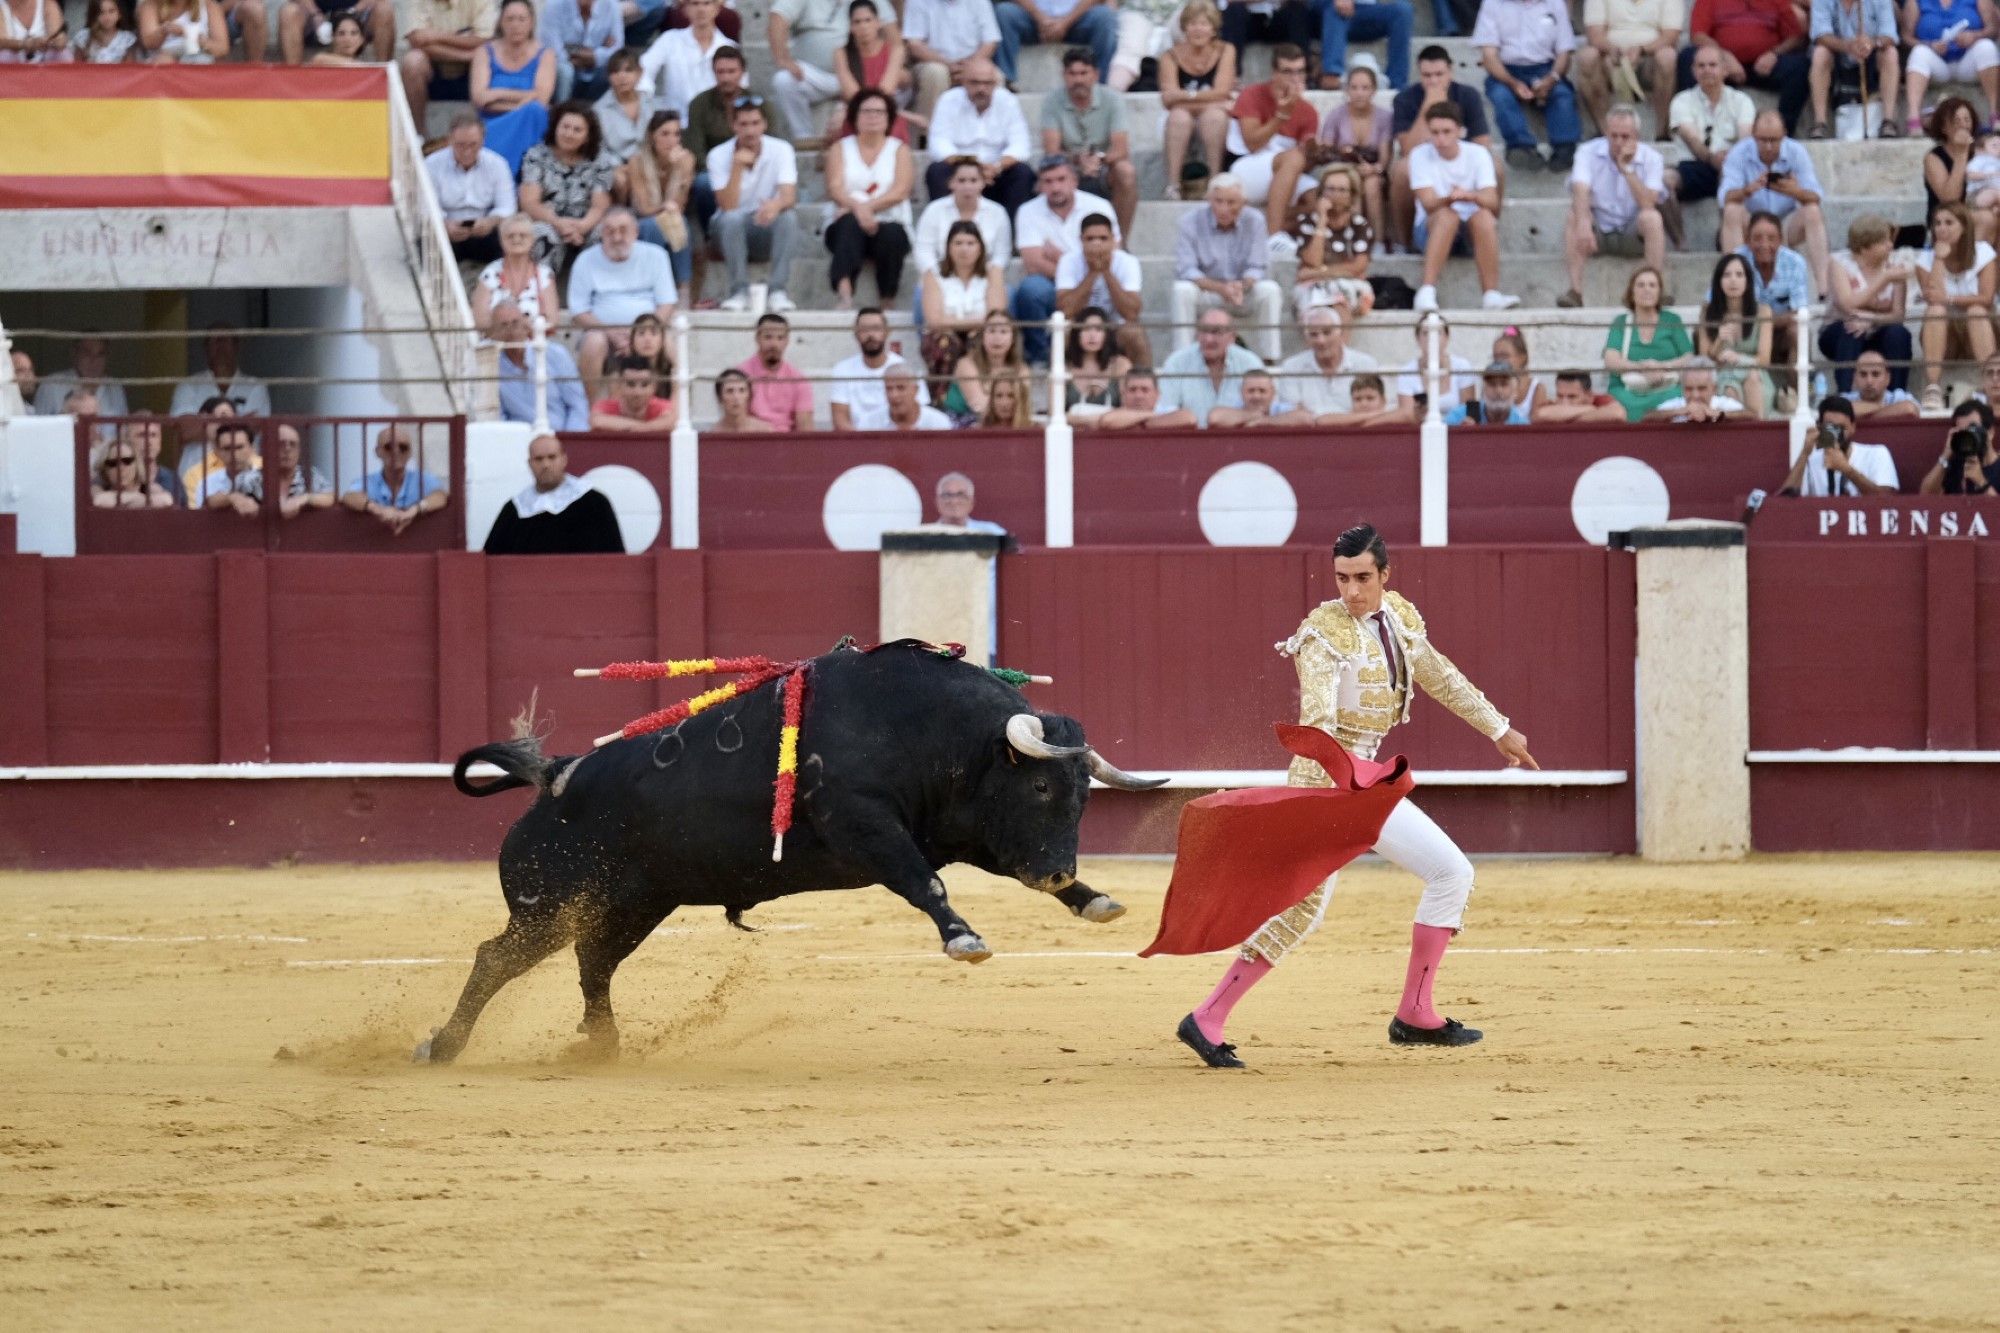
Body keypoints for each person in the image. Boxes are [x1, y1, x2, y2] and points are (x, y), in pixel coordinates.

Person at [1172, 523, 1537, 1069]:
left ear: (1385, 575)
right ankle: (1207, 1018)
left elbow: (1439, 676)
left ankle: (1416, 1012)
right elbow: (1316, 723)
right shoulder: (1322, 634)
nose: (1351, 592)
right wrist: (1344, 778)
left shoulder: (1401, 619)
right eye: (1342, 578)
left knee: (1450, 874)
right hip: (1328, 785)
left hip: (1366, 784)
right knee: (1302, 912)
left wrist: (1499, 729)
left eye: (1363, 578)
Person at [1408, 101, 1519, 313]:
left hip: (1470, 231)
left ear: (1460, 130)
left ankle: (1491, 295)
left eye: (1447, 132)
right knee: (1447, 215)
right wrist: (1450, 198)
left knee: (1484, 217)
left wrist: (1469, 196)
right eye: (1435, 132)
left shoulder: (1477, 154)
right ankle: (1427, 290)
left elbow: (1492, 201)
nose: (1440, 139)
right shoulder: (1420, 155)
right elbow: (1429, 204)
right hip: (1430, 230)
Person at [1389, 46, 1504, 250]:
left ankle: (1486, 233)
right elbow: (1408, 149)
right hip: (1426, 162)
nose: (1433, 81)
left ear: (1450, 72)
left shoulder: (1468, 95)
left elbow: (1481, 143)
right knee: (1401, 170)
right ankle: (1404, 242)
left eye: (1439, 74)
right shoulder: (1404, 99)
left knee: (1495, 166)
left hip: (1462, 162)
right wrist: (1428, 106)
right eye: (1427, 75)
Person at [1010, 155, 1119, 364]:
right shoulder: (1028, 211)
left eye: (1061, 179)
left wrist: (1062, 259)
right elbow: (1033, 264)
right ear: (1039, 185)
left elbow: (1109, 254)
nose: (1055, 187)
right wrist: (1079, 263)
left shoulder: (1099, 206)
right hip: (1052, 284)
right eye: (1048, 181)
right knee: (1032, 289)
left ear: (1074, 181)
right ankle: (1041, 355)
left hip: (1096, 283)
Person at [1558, 105, 1668, 310]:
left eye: (1625, 137)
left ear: (1636, 136)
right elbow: (1580, 188)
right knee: (1575, 215)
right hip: (1597, 230)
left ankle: (1656, 289)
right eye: (1613, 136)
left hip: (1632, 232)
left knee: (1652, 218)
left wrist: (1627, 170)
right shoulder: (1587, 152)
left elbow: (1648, 202)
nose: (1618, 142)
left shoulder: (1652, 158)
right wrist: (1583, 222)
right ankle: (1575, 291)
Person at [1171, 173, 1284, 359]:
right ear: (1209, 200)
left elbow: (1256, 266)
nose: (1224, 208)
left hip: (1241, 291)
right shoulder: (1190, 221)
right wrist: (1221, 289)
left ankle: (1270, 358)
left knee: (1269, 290)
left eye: (1231, 202)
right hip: (1207, 291)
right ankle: (1181, 357)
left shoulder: (1255, 221)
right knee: (1181, 290)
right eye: (1218, 201)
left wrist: (1241, 286)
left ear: (1243, 202)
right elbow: (1187, 269)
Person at [707, 95, 802, 313]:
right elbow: (727, 205)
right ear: (733, 126)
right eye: (743, 124)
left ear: (764, 125)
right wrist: (737, 167)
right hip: (728, 230)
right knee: (732, 218)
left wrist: (774, 206)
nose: (750, 131)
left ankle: (778, 291)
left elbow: (789, 195)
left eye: (755, 123)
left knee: (788, 216)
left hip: (764, 223)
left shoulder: (781, 149)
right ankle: (738, 291)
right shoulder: (718, 155)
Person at [1719, 110, 1831, 293]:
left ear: (1784, 135)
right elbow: (1725, 197)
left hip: (1785, 225)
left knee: (1812, 212)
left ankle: (1824, 290)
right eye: (1763, 140)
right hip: (1751, 224)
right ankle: (1738, 287)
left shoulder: (1796, 152)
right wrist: (1748, 190)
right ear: (1754, 135)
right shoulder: (1739, 153)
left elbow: (1816, 196)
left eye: (1774, 140)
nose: (1769, 146)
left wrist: (1795, 191)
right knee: (1732, 211)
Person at [570, 207, 679, 394]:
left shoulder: (656, 256)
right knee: (593, 342)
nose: (617, 237)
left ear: (636, 232)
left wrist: (639, 334)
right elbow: (579, 311)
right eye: (609, 231)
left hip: (645, 331)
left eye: (623, 230)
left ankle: (675, 408)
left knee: (668, 343)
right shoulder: (585, 260)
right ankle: (592, 412)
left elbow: (667, 304)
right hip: (602, 333)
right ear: (601, 234)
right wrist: (611, 333)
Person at [824, 88, 915, 308]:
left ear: (889, 117)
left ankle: (887, 299)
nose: (873, 116)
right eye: (866, 111)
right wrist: (858, 209)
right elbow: (835, 188)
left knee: (892, 235)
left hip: (889, 218)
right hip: (845, 219)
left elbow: (901, 190)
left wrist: (866, 208)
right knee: (848, 225)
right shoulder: (840, 148)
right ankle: (845, 295)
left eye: (879, 112)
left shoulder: (899, 150)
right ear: (855, 116)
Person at [1039, 46, 1137, 236]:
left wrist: (1097, 159)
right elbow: (1052, 150)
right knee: (1046, 175)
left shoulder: (1112, 99)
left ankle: (1119, 240)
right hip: (1068, 164)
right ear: (1064, 75)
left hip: (1104, 165)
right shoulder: (1052, 101)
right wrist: (1077, 160)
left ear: (1096, 74)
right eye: (1072, 74)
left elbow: (1121, 148)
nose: (1078, 80)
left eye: (1084, 73)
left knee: (1126, 171)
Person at [1475, 0, 1581, 173]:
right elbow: (1489, 55)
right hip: (1505, 69)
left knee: (1562, 94)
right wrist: (1512, 82)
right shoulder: (1493, 3)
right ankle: (1521, 147)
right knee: (1501, 96)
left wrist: (1551, 79)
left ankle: (1564, 148)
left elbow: (1564, 52)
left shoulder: (1555, 3)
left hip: (1546, 67)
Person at [1226, 43, 1320, 232]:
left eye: (1300, 72)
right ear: (1274, 72)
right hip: (1245, 167)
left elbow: (1305, 163)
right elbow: (1252, 143)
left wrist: (1314, 151)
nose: (1295, 78)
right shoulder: (1252, 94)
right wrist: (1281, 116)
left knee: (1323, 200)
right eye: (1288, 72)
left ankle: (1272, 224)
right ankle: (1273, 234)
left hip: (1284, 171)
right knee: (1294, 157)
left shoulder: (1309, 111)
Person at [925, 58, 1035, 217]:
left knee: (1022, 173)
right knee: (937, 171)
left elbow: (1020, 146)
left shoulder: (1007, 101)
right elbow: (939, 145)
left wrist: (996, 167)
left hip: (996, 171)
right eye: (975, 83)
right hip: (960, 169)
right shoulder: (948, 100)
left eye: (987, 83)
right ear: (963, 82)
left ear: (995, 83)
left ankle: (1013, 235)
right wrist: (973, 166)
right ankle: (948, 230)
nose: (981, 89)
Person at [1819, 213, 1913, 395]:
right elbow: (1847, 305)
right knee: (1851, 329)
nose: (1890, 246)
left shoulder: (1895, 266)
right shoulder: (1839, 263)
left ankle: (1897, 395)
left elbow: (1898, 315)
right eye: (1883, 241)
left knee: (1898, 333)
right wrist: (1884, 278)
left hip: (1878, 330)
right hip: (1838, 331)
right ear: (1864, 248)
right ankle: (1846, 396)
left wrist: (1871, 319)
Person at [1679, 0, 1809, 132]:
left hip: (1763, 64)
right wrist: (1724, 56)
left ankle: (1781, 132)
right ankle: (1691, 127)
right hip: (1723, 65)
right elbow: (1698, 35)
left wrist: (1774, 53)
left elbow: (1795, 36)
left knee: (1800, 66)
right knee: (1688, 57)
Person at [484, 433, 627, 553]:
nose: (545, 465)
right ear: (529, 464)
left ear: (564, 460)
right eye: (538, 459)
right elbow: (490, 557)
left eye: (552, 457)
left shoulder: (595, 503)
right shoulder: (514, 510)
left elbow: (615, 557)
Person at [1917, 201, 1996, 411]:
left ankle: (1990, 383)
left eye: (1949, 223)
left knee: (1977, 311)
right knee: (1935, 311)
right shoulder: (1925, 259)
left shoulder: (1983, 252)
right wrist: (1938, 259)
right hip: (1945, 335)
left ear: (1964, 227)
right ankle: (1933, 387)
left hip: (1980, 329)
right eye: (1937, 223)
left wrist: (1950, 300)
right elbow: (1934, 297)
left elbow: (1986, 298)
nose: (1941, 229)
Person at [519, 102, 617, 269]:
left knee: (607, 231)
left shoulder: (601, 159)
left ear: (587, 136)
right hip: (549, 220)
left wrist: (581, 227)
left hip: (585, 223)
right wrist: (559, 223)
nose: (569, 134)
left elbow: (599, 206)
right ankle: (543, 288)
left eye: (577, 130)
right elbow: (529, 203)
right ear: (556, 127)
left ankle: (598, 289)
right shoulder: (536, 155)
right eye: (565, 127)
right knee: (541, 233)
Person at [1160, 0, 1237, 197]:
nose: (1198, 30)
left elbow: (1223, 91)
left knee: (1214, 117)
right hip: (1177, 114)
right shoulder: (1170, 56)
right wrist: (1206, 99)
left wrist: (1185, 96)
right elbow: (1168, 98)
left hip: (1211, 113)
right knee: (1179, 117)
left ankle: (1215, 181)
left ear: (1213, 28)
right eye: (1193, 24)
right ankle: (1173, 185)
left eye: (1204, 24)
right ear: (1184, 27)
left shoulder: (1226, 50)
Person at [471, 0, 556, 174]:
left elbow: (542, 98)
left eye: (521, 19)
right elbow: (480, 98)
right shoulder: (484, 52)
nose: (515, 25)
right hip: (493, 123)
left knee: (535, 112)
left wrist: (496, 94)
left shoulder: (545, 54)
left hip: (531, 122)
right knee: (531, 110)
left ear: (531, 22)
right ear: (501, 22)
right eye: (510, 19)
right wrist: (523, 101)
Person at [1666, 44, 1756, 207]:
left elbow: (1746, 139)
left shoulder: (1742, 100)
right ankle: (1678, 234)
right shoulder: (1681, 100)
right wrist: (1711, 158)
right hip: (1694, 167)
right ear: (1693, 71)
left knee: (1734, 173)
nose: (1707, 70)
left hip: (1732, 166)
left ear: (1725, 70)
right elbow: (1691, 139)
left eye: (1712, 65)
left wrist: (1728, 160)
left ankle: (1727, 230)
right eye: (1701, 66)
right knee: (1663, 183)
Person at [922, 220, 1009, 385]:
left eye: (970, 243)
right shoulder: (933, 274)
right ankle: (942, 399)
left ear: (980, 247)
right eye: (958, 243)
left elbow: (995, 316)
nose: (964, 249)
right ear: (948, 247)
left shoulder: (993, 272)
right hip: (944, 335)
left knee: (982, 339)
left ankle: (985, 395)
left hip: (980, 333)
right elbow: (934, 320)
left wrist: (954, 322)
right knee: (945, 342)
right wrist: (976, 322)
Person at [1574, 0, 1681, 133]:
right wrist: (1612, 49)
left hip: (1649, 59)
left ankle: (1662, 131)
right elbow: (1595, 35)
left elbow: (1670, 36)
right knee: (1587, 56)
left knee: (1668, 56)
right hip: (1611, 58)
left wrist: (1642, 50)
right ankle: (1605, 131)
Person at [1055, 215, 1148, 365]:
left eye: (1103, 238)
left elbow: (1131, 313)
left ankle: (1144, 384)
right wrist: (1092, 273)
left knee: (1134, 333)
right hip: (1080, 328)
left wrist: (1106, 272)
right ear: (1081, 240)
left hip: (1115, 327)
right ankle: (1063, 386)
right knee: (1061, 332)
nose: (1096, 243)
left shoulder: (1128, 262)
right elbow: (1065, 311)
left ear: (1113, 240)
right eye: (1090, 239)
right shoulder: (1068, 261)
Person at [427, 114, 518, 267]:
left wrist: (490, 221)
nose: (467, 151)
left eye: (473, 145)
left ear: (483, 141)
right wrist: (444, 225)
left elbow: (508, 206)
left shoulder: (497, 164)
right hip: (445, 229)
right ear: (449, 140)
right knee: (427, 243)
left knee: (509, 239)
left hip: (484, 228)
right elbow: (426, 206)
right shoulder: (432, 164)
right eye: (460, 145)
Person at [1605, 265, 1692, 421]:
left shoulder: (1672, 320)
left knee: (1678, 399)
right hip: (1627, 392)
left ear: (1659, 292)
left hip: (1667, 389)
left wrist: (1662, 367)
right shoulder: (1621, 322)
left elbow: (1688, 357)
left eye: (1652, 285)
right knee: (1617, 404)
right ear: (1632, 292)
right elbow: (1611, 361)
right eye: (1641, 285)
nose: (1647, 290)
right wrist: (1642, 367)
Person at [1315, 62, 1390, 243]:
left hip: (1372, 169)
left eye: (1365, 88)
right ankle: (1352, 239)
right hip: (1343, 167)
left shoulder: (1385, 117)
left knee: (1372, 185)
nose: (1359, 92)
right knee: (1349, 183)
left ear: (1373, 90)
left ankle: (1377, 241)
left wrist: (1376, 169)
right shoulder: (1336, 115)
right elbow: (1326, 149)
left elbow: (1385, 154)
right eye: (1354, 87)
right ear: (1346, 90)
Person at [1903, 0, 2000, 137]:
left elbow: (1993, 29)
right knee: (1919, 52)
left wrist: (1974, 36)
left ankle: (1994, 114)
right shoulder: (1916, 2)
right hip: (1936, 62)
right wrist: (1930, 45)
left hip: (1967, 60)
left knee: (1987, 47)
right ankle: (1913, 119)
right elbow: (1906, 37)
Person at [399, 0, 499, 131]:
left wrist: (435, 36)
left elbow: (485, 40)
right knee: (413, 61)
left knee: (490, 57)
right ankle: (418, 135)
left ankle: (485, 134)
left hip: (471, 70)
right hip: (434, 69)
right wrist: (465, 54)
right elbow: (417, 40)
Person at [1697, 251, 1775, 418]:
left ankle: (1758, 430)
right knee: (1729, 389)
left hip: (1754, 372)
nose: (1733, 280)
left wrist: (1738, 357)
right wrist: (1719, 339)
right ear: (1719, 281)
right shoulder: (1707, 313)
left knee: (1753, 378)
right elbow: (1705, 360)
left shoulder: (1763, 312)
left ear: (1748, 281)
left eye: (1739, 275)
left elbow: (1764, 359)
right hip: (1723, 373)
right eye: (1727, 275)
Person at [1806, 0, 1900, 139]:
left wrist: (1872, 43)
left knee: (1890, 53)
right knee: (1820, 53)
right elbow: (1820, 35)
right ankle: (1820, 123)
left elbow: (1889, 35)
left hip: (1870, 55)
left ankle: (1888, 121)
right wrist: (1847, 46)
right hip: (1838, 54)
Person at [914, 156, 1014, 285]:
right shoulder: (934, 210)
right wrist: (938, 276)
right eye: (961, 180)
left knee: (1007, 294)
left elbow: (1002, 254)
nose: (967, 186)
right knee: (920, 294)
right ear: (951, 183)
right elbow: (924, 250)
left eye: (973, 180)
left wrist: (988, 276)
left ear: (983, 183)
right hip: (940, 277)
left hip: (985, 278)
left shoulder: (997, 212)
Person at [1157, 307, 1265, 426]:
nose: (1208, 339)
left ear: (1232, 336)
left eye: (1216, 332)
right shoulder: (1177, 363)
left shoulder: (1250, 363)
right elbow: (1164, 412)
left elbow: (1264, 410)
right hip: (1189, 441)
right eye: (1204, 331)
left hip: (1239, 440)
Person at [625, 110, 696, 289]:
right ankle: (651, 284)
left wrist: (678, 171)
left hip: (672, 216)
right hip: (642, 218)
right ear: (652, 136)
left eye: (676, 134)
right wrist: (665, 206)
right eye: (665, 134)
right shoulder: (637, 161)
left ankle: (683, 287)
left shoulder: (686, 159)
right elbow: (643, 208)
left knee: (678, 221)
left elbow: (678, 207)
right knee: (652, 225)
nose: (672, 140)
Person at [493, 301, 592, 430]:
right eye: (504, 326)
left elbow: (577, 405)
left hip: (561, 437)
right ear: (494, 333)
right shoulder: (493, 367)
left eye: (515, 323)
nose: (511, 331)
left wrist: (570, 440)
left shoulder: (555, 354)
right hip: (519, 441)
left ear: (525, 325)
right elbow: (499, 417)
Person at [906, 0, 1002, 128]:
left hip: (972, 62)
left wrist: (970, 68)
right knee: (936, 73)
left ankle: (990, 132)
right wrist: (948, 65)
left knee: (995, 76)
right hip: (932, 62)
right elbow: (914, 44)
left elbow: (990, 41)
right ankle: (928, 134)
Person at [1278, 304, 1384, 418]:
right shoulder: (1291, 367)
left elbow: (1374, 411)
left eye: (1327, 332)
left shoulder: (1365, 365)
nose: (1321, 341)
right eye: (1313, 334)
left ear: (1340, 332)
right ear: (1306, 338)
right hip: (1309, 434)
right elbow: (1293, 416)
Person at [830, 307, 928, 429]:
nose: (870, 335)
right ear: (856, 334)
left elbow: (920, 414)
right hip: (856, 443)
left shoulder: (905, 369)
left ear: (887, 332)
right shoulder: (842, 370)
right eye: (864, 329)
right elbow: (840, 420)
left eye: (876, 328)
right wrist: (865, 444)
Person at [1779, 395, 1900, 493]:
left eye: (1842, 428)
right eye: (1830, 428)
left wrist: (1846, 469)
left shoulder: (1876, 453)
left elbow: (1887, 501)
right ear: (1819, 427)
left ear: (1853, 427)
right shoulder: (1812, 460)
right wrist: (1804, 454)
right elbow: (1785, 502)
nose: (1836, 435)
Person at [767, 0, 850, 140]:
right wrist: (783, 58)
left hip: (855, 74)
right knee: (784, 80)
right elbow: (777, 17)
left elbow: (888, 25)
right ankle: (804, 138)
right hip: (814, 75)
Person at [993, 0, 1117, 88]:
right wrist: (1042, 19)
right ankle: (1006, 81)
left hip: (1078, 20)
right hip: (1034, 21)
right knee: (1004, 12)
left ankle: (1101, 84)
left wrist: (1065, 23)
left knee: (1105, 17)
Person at [834, 0, 910, 139]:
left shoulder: (895, 50)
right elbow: (853, 95)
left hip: (886, 112)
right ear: (851, 27)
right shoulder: (841, 54)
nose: (863, 26)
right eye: (857, 22)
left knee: (894, 129)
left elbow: (885, 92)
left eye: (868, 20)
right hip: (857, 114)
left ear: (878, 23)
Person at [642, 0, 731, 116]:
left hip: (715, 127)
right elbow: (643, 70)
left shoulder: (729, 47)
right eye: (695, 3)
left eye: (707, 3)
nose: (701, 9)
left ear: (717, 9)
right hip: (676, 125)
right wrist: (647, 105)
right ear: (685, 10)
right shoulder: (669, 40)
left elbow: (740, 89)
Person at [474, 214, 561, 333]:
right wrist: (512, 328)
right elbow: (481, 321)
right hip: (497, 343)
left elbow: (552, 320)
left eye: (523, 235)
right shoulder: (489, 274)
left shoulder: (545, 274)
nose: (516, 239)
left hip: (534, 342)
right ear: (501, 241)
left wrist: (522, 327)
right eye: (510, 236)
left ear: (532, 240)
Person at [234, 422, 335, 517]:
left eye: (293, 444)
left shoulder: (309, 475)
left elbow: (331, 497)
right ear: (265, 449)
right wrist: (236, 499)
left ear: (299, 451)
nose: (287, 449)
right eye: (280, 444)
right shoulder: (248, 479)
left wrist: (305, 499)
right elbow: (223, 498)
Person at [736, 312, 815, 430]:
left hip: (787, 444)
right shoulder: (740, 375)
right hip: (751, 441)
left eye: (780, 338)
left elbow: (805, 427)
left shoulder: (798, 379)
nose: (774, 344)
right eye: (768, 337)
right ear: (757, 338)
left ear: (787, 341)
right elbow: (736, 422)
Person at [169, 327, 270, 418]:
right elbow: (185, 431)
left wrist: (203, 423)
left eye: (226, 340)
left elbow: (257, 429)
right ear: (206, 348)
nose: (221, 346)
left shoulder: (255, 387)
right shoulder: (188, 386)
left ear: (236, 347)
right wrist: (239, 422)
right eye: (215, 340)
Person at [947, 309, 1027, 421]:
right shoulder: (966, 364)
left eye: (1003, 331)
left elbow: (1023, 408)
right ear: (982, 337)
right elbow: (979, 406)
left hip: (1007, 424)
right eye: (991, 331)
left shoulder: (1022, 370)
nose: (997, 338)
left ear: (1013, 338)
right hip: (964, 423)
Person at [1314, 0, 1412, 90]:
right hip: (1330, 16)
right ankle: (1333, 73)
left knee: (1402, 10)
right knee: (1334, 8)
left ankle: (1396, 83)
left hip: (1369, 13)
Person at [1395, 315, 1479, 415]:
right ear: (1417, 338)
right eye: (1426, 333)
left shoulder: (1462, 367)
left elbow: (1469, 414)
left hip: (1457, 428)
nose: (1432, 337)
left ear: (1447, 337)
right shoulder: (1407, 372)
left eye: (1438, 333)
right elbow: (1407, 415)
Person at [544, 0, 623, 104]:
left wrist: (595, 56)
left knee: (613, 72)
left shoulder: (611, 5)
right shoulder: (554, 5)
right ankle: (561, 112)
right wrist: (590, 54)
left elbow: (617, 49)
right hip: (564, 66)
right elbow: (552, 49)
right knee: (565, 72)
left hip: (597, 68)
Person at [1924, 98, 1981, 239]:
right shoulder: (1933, 158)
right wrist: (1961, 154)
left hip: (1979, 208)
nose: (1963, 125)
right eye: (1957, 121)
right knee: (1985, 219)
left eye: (1967, 120)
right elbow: (1950, 199)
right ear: (1944, 127)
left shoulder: (1982, 152)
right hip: (1946, 219)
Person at [596, 48, 661, 165]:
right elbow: (600, 150)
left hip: (653, 162)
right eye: (615, 72)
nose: (621, 76)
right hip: (619, 166)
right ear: (608, 77)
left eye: (628, 70)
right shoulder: (598, 111)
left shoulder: (654, 104)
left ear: (640, 73)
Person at [1077, 366, 1198, 428]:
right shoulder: (1116, 413)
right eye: (1132, 390)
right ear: (1123, 394)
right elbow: (1107, 421)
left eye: (1145, 390)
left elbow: (1189, 418)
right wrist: (1151, 416)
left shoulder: (1167, 411)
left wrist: (1142, 422)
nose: (1139, 395)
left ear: (1157, 395)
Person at [1919, 398, 1999, 491]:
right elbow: (1926, 496)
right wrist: (1946, 454)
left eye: (1973, 429)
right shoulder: (1956, 465)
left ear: (1990, 432)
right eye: (1962, 431)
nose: (1968, 435)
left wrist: (1981, 482)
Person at [1062, 306, 1132, 412]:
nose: (1092, 335)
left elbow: (1127, 410)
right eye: (1086, 329)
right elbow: (1055, 413)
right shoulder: (1063, 366)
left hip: (1112, 427)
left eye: (1098, 329)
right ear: (1077, 334)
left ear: (1107, 334)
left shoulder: (1121, 365)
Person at [1645, 356, 1752, 420]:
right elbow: (1647, 417)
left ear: (1714, 388)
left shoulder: (1723, 404)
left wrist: (1717, 414)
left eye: (1702, 388)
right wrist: (1679, 412)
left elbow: (1751, 416)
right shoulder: (1678, 405)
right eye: (1689, 389)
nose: (1695, 395)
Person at [591, 355, 679, 431]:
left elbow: (672, 421)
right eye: (630, 384)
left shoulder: (662, 407)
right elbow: (596, 421)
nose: (637, 392)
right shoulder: (606, 406)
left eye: (644, 385)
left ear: (654, 386)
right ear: (620, 385)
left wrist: (630, 428)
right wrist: (646, 427)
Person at [1208, 367, 1314, 426]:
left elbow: (1307, 419)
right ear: (1241, 392)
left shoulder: (1281, 409)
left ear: (1273, 393)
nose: (1256, 396)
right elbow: (1214, 418)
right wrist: (1253, 415)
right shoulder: (1235, 409)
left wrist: (1264, 421)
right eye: (1251, 391)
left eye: (1262, 391)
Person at [198, 421, 263, 516]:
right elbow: (202, 514)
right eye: (227, 448)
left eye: (239, 447)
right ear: (217, 452)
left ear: (252, 448)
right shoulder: (207, 483)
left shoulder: (266, 479)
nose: (234, 454)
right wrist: (231, 498)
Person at [1442, 360, 1533, 424]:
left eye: (1504, 384)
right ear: (1483, 390)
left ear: (1515, 391)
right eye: (1492, 384)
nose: (1498, 390)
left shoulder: (1521, 426)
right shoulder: (1460, 415)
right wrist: (1460, 434)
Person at [137, 0, 229, 61]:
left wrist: (187, 34)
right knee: (164, 60)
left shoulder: (210, 6)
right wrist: (164, 31)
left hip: (198, 57)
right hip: (163, 59)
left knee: (200, 59)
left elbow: (222, 48)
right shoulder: (150, 5)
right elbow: (148, 43)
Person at [1488, 326, 1546, 415]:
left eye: (1504, 356)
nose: (1499, 361)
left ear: (1522, 357)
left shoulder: (1536, 389)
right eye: (1496, 357)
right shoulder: (1490, 386)